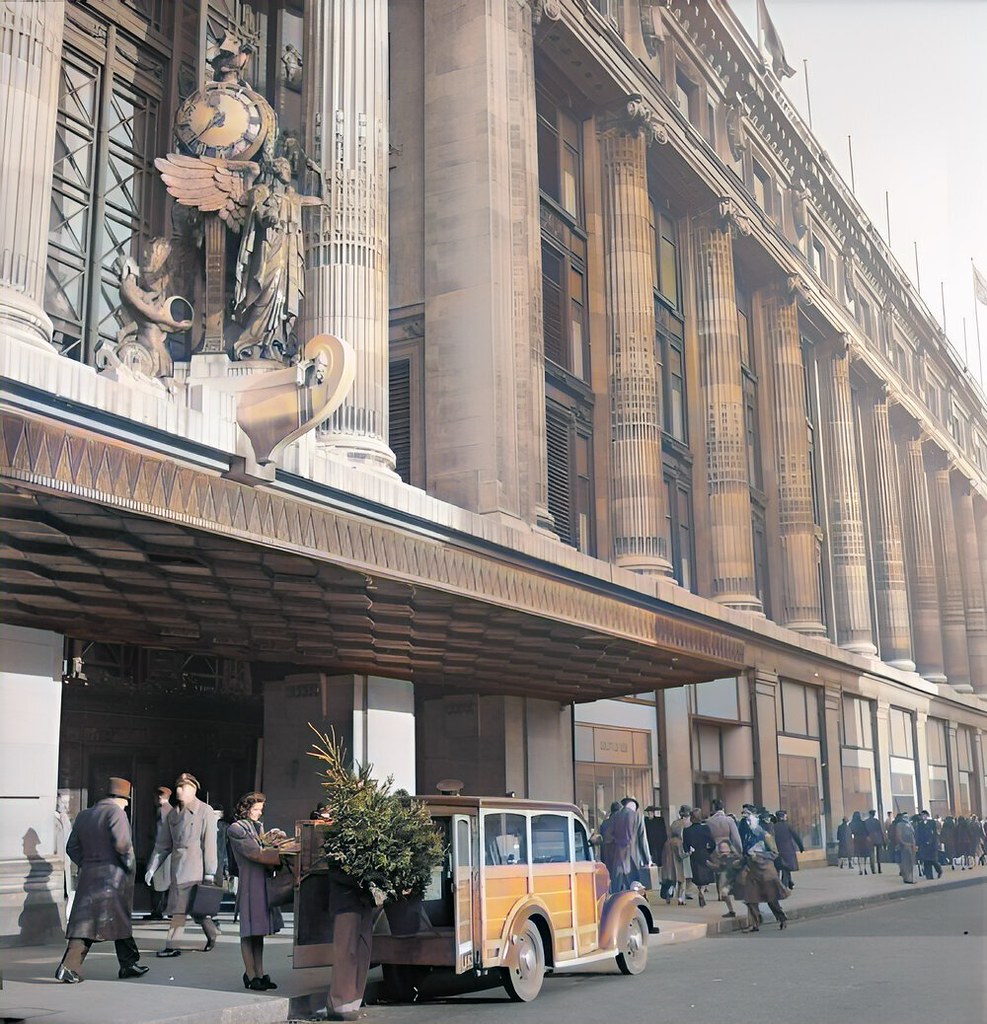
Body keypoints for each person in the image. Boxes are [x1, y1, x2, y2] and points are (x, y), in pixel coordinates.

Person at [233, 155, 327, 360]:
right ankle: (254, 340)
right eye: (284, 166)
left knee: (285, 296)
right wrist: (269, 217)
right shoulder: (264, 193)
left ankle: (277, 341)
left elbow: (321, 200)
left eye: (288, 166)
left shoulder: (294, 198)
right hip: (271, 247)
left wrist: (319, 173)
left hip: (290, 250)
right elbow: (256, 212)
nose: (288, 169)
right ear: (275, 170)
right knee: (268, 289)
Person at [55, 777, 148, 983]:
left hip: (89, 875)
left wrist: (87, 864)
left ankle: (129, 963)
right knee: (95, 923)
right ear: (123, 798)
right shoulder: (116, 813)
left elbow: (72, 847)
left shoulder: (84, 815)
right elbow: (124, 846)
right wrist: (130, 869)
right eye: (126, 801)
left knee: (102, 920)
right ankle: (69, 966)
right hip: (113, 878)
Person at [144, 772, 218, 956]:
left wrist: (210, 872)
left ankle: (172, 946)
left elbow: (209, 843)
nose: (178, 790)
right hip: (177, 867)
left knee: (179, 909)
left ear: (193, 789)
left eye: (183, 786)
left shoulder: (204, 811)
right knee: (194, 910)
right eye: (177, 786)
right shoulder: (173, 815)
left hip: (196, 867)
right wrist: (152, 867)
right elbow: (162, 845)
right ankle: (213, 934)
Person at [227, 792, 287, 991]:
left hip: (262, 881)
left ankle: (260, 973)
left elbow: (262, 849)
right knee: (249, 931)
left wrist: (276, 843)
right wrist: (279, 853)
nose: (259, 814)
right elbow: (255, 852)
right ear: (246, 808)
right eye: (256, 809)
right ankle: (250, 974)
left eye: (260, 810)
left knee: (258, 931)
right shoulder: (236, 828)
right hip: (250, 883)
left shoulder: (257, 826)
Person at [735, 809, 788, 931]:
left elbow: (775, 853)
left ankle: (781, 917)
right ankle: (755, 923)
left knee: (771, 898)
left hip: (765, 871)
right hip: (752, 871)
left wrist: (759, 856)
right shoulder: (746, 838)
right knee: (750, 898)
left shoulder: (766, 836)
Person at [706, 798, 742, 918]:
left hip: (716, 849)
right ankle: (729, 891)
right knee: (729, 870)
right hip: (728, 847)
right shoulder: (729, 820)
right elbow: (736, 837)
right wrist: (739, 850)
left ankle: (720, 894)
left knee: (718, 872)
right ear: (722, 808)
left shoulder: (709, 822)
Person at [608, 797, 653, 893]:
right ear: (634, 806)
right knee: (633, 887)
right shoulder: (638, 817)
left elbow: (608, 837)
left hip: (617, 857)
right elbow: (642, 839)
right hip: (633, 858)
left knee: (617, 888)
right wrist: (647, 859)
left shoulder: (615, 816)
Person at [145, 787, 172, 920]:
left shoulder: (162, 811)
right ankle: (166, 910)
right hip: (169, 852)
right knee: (165, 881)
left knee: (158, 881)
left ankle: (157, 911)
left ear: (160, 797)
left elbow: (159, 833)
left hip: (160, 851)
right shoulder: (172, 810)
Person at [682, 809, 715, 908]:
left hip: (694, 854)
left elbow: (685, 846)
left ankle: (699, 889)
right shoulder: (705, 828)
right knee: (705, 876)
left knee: (697, 875)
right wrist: (709, 851)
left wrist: (689, 850)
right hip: (704, 853)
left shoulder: (687, 830)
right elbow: (712, 843)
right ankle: (702, 891)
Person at [666, 805, 696, 906]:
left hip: (671, 849)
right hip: (683, 849)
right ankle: (682, 897)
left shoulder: (674, 823)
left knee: (675, 874)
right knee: (684, 875)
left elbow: (669, 834)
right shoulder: (688, 824)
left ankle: (670, 892)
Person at [771, 810, 804, 890]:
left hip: (777, 850)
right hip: (788, 850)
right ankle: (784, 886)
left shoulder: (773, 827)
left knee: (781, 868)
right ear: (783, 817)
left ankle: (788, 883)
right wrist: (801, 847)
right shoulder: (788, 826)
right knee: (786, 868)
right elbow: (796, 837)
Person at [914, 810, 941, 880]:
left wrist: (932, 841)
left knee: (933, 861)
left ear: (927, 816)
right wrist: (917, 844)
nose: (923, 817)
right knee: (926, 861)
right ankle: (929, 876)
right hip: (923, 845)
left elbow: (935, 833)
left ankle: (939, 870)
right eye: (922, 816)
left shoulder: (932, 823)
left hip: (932, 845)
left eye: (924, 815)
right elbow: (918, 835)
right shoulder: (920, 824)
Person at [895, 813, 917, 883]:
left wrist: (914, 844)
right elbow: (899, 836)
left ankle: (910, 877)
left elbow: (913, 835)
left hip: (911, 846)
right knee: (905, 862)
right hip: (904, 846)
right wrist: (904, 843)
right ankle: (907, 878)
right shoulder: (899, 825)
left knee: (911, 862)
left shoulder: (910, 825)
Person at [863, 809, 885, 874]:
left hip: (870, 839)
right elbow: (880, 831)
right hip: (878, 839)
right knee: (879, 855)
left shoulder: (866, 822)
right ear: (874, 814)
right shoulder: (877, 821)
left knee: (871, 854)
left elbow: (864, 832)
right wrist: (883, 839)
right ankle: (879, 869)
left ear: (869, 814)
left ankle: (873, 870)